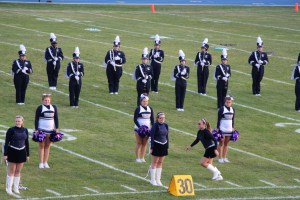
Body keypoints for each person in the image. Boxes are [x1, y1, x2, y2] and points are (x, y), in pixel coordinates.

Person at [3, 115, 29, 195]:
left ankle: (16, 188)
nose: (17, 122)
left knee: (18, 171)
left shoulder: (25, 130)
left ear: (22, 122)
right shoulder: (11, 130)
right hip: (12, 151)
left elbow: (27, 142)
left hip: (22, 152)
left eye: (19, 121)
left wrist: (27, 154)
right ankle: (8, 188)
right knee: (12, 171)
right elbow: (7, 142)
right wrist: (5, 154)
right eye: (16, 121)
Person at [34, 93, 59, 168]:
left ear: (50, 100)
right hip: (41, 129)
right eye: (45, 100)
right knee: (41, 146)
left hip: (51, 130)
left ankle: (45, 162)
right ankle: (41, 162)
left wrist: (57, 128)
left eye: (48, 100)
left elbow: (56, 118)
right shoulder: (40, 108)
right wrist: (36, 129)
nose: (47, 101)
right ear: (42, 101)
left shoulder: (54, 107)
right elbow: (36, 119)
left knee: (48, 146)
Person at [133, 94, 154, 163]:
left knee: (144, 143)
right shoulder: (138, 108)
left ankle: (142, 157)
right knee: (139, 143)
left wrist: (153, 128)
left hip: (147, 129)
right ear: (141, 101)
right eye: (144, 101)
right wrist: (140, 127)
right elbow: (135, 119)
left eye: (146, 101)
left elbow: (152, 119)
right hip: (138, 129)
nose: (145, 102)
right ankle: (137, 158)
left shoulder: (150, 109)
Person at [149, 112, 168, 186]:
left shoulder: (166, 125)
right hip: (156, 145)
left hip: (164, 145)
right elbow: (152, 136)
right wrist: (151, 147)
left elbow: (167, 136)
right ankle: (153, 180)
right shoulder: (155, 125)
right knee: (154, 162)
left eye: (163, 118)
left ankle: (158, 180)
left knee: (160, 162)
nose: (162, 119)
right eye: (160, 118)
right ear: (157, 118)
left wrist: (167, 146)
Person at [217, 96, 235, 163]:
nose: (228, 103)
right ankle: (220, 158)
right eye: (227, 102)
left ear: (231, 102)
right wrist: (218, 128)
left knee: (226, 144)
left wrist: (233, 127)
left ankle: (224, 157)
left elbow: (233, 119)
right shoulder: (222, 109)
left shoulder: (233, 109)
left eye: (229, 102)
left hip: (229, 129)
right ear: (225, 102)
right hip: (222, 128)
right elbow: (218, 119)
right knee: (221, 143)